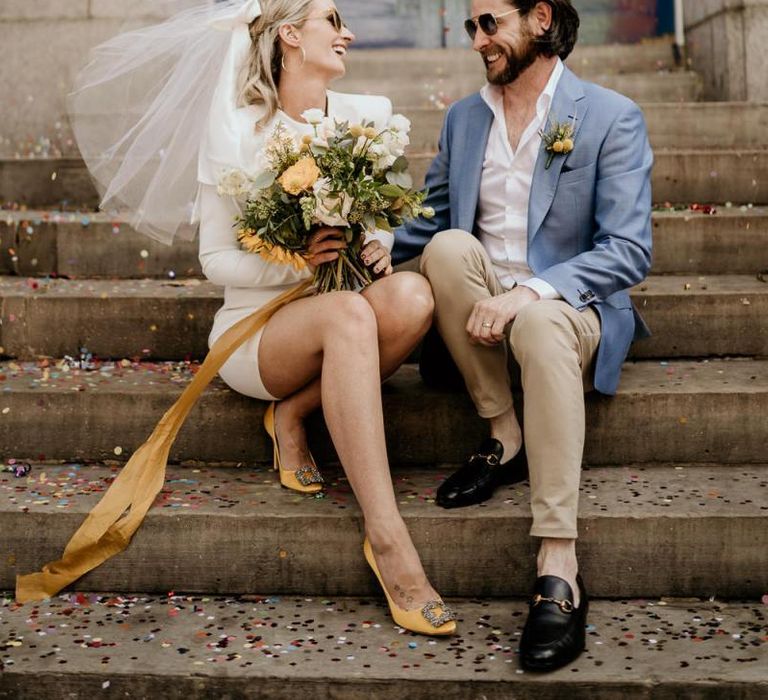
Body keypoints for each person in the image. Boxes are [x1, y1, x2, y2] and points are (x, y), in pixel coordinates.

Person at [15, 0, 456, 636]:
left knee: (414, 298)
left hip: (342, 307)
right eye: (332, 19)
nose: (347, 32)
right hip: (261, 330)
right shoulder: (236, 130)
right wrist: (298, 262)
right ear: (290, 36)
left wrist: (380, 241)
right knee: (348, 321)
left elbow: (385, 213)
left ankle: (294, 413)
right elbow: (215, 259)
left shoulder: (369, 117)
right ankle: (386, 537)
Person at [393, 0, 653, 669]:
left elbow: (628, 250)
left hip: (567, 306)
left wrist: (527, 292)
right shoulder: (464, 117)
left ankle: (558, 561)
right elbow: (430, 223)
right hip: (482, 309)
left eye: (489, 23)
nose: (477, 38)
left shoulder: (608, 115)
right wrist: (362, 244)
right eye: (471, 26)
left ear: (541, 19)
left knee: (536, 319)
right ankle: (504, 432)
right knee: (449, 249)